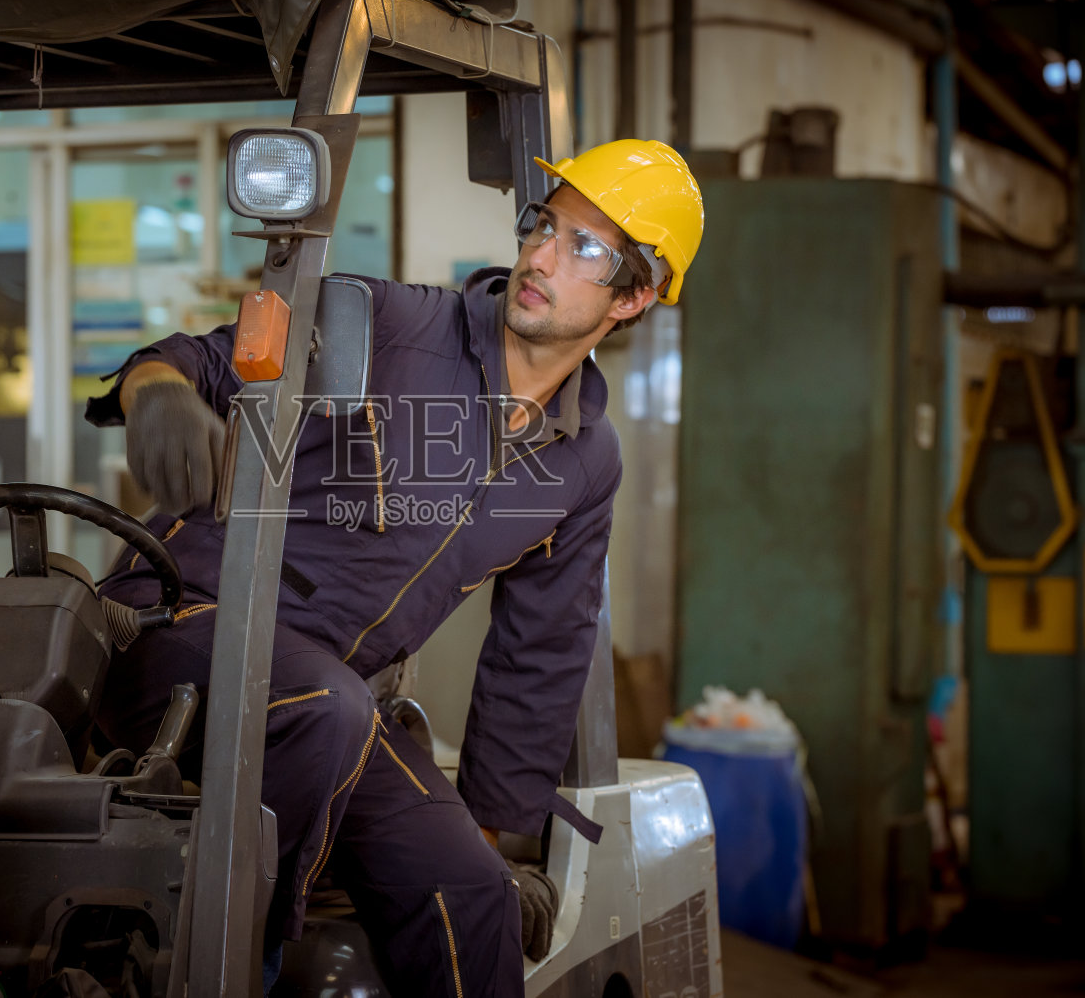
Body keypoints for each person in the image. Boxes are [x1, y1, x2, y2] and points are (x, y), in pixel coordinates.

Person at [85, 138, 704, 995]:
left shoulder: (581, 462)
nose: (542, 256)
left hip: (323, 698)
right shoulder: (388, 326)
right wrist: (154, 390)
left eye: (585, 249)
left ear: (633, 297)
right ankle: (236, 972)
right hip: (179, 627)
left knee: (472, 895)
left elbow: (542, 648)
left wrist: (484, 831)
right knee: (326, 707)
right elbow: (207, 357)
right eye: (546, 225)